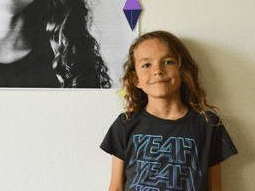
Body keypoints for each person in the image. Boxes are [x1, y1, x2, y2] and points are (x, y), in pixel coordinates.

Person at [101, 31, 238, 191]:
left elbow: (215, 188)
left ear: (183, 70)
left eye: (168, 62)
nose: (157, 70)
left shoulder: (208, 124)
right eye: (146, 65)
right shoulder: (124, 124)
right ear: (135, 79)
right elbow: (116, 187)